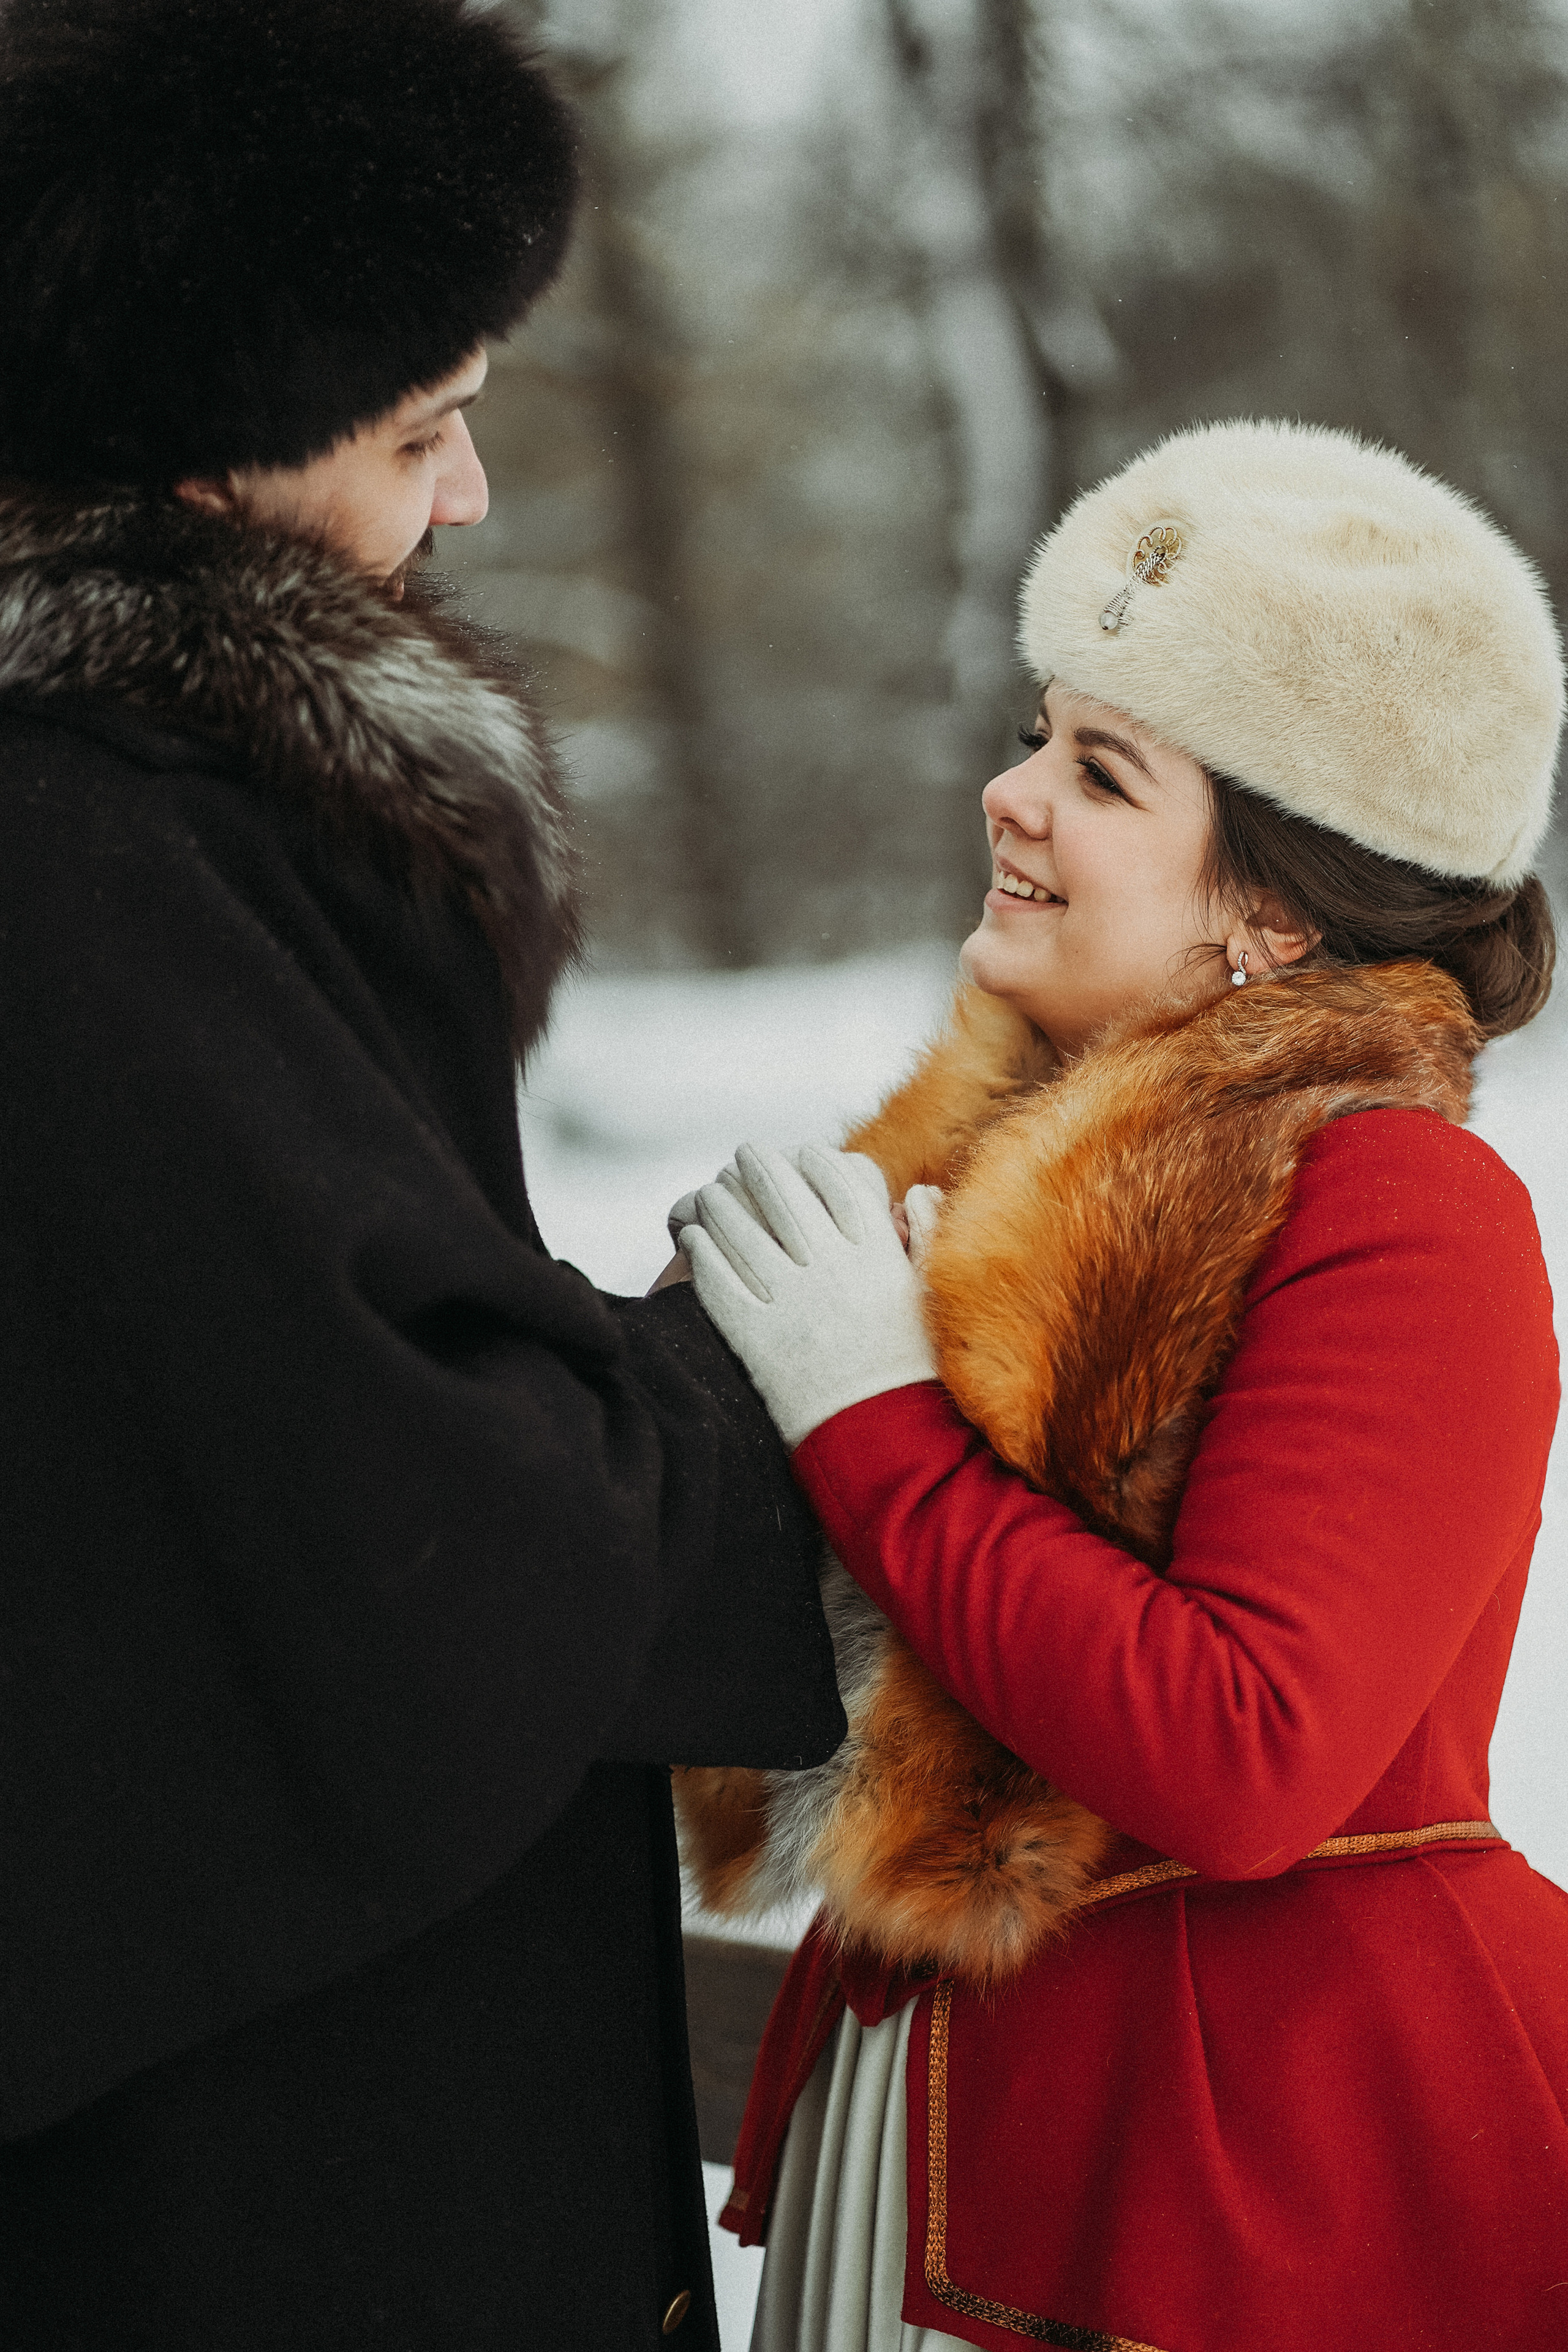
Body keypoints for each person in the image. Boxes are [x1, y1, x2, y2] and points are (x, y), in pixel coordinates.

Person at [0, 4, 844, 2346]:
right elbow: (399, 1505)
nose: (467, 497)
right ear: (209, 472)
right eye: (420, 430)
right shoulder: (107, 858)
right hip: (282, 2152)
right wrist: (777, 1409)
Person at [670, 420, 1568, 2351]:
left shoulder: (1403, 1204)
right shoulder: (989, 1183)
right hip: (944, 2124)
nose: (1009, 798)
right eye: (1034, 734)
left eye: (1101, 770)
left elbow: (1245, 1756)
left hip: (1235, 2180)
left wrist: (869, 1419)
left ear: (1280, 906)